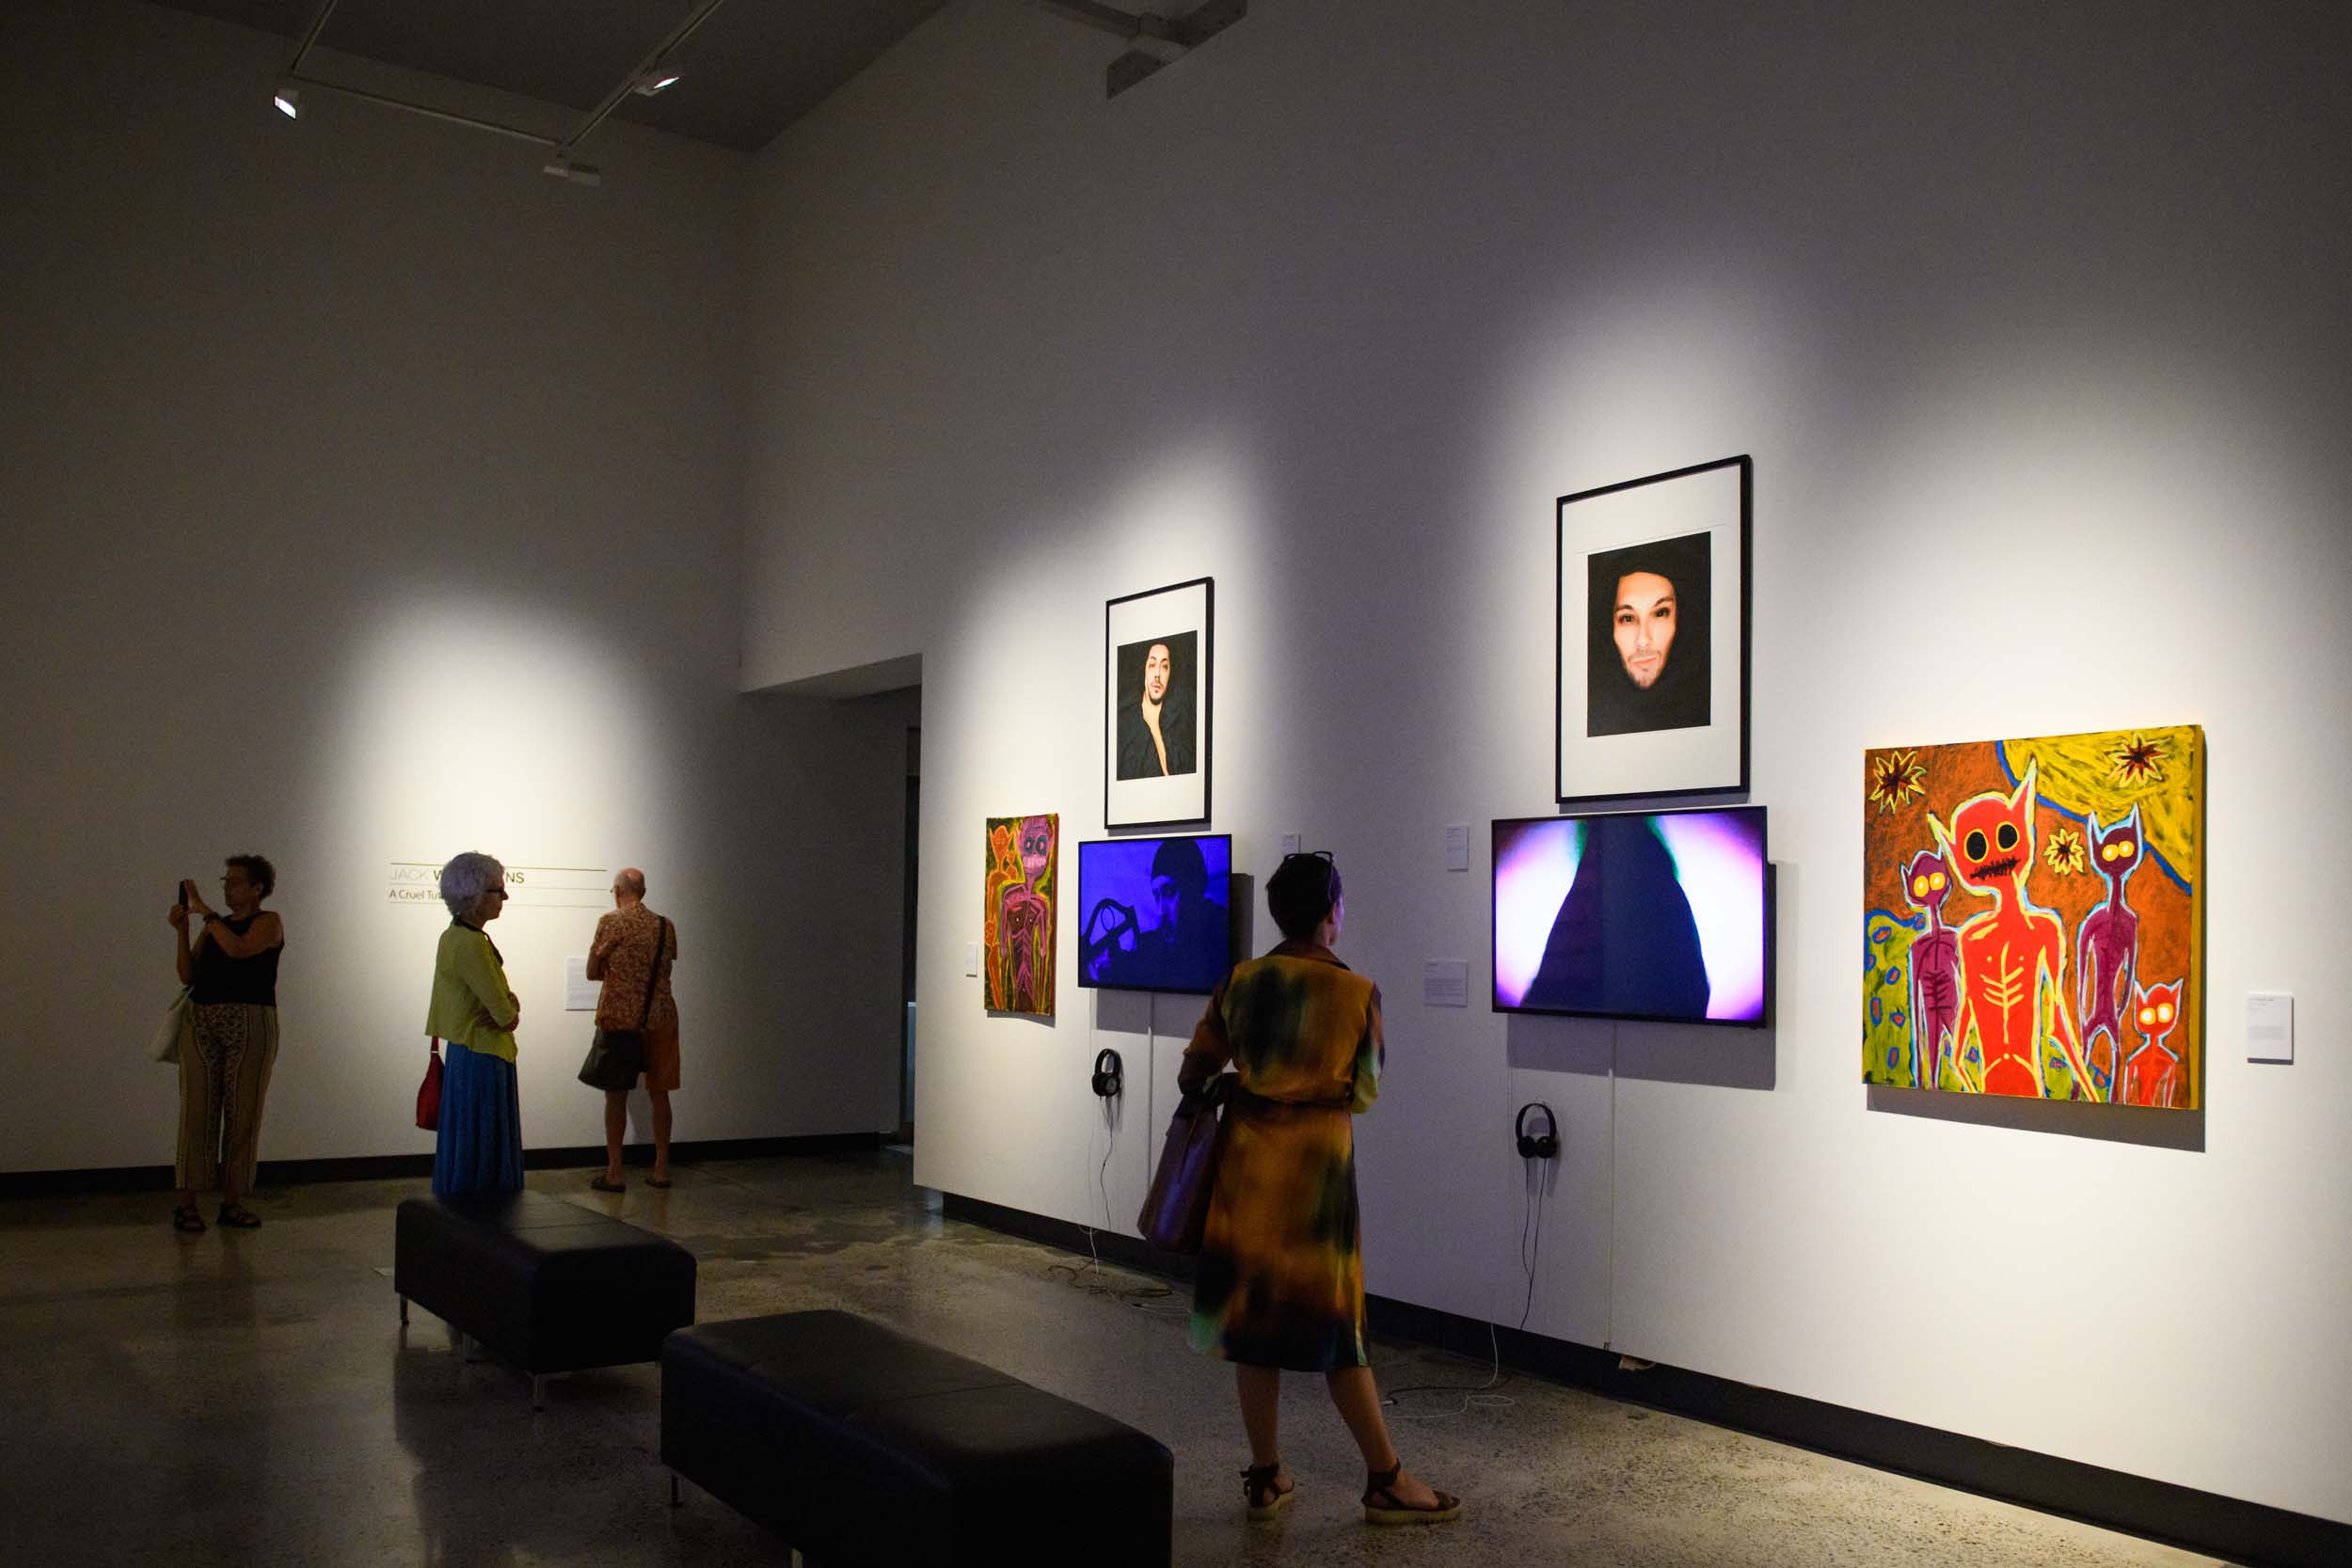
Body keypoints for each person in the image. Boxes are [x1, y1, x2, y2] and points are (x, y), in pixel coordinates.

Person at [1178, 851, 1462, 1527]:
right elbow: (1364, 1092)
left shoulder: (1240, 982)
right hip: (1316, 1189)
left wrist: (1247, 1086)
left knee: (1253, 1332)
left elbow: (1195, 1074)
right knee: (1339, 1334)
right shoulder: (1357, 993)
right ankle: (1385, 1478)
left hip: (1247, 1179)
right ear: (1332, 911)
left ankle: (1266, 1476)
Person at [167, 855, 285, 1233]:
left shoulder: (269, 921)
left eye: (235, 882)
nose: (227, 887)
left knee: (242, 1113)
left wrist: (206, 913)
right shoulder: (213, 927)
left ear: (257, 889)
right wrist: (183, 931)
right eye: (226, 881)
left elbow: (239, 949)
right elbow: (188, 974)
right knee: (196, 1112)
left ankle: (232, 1202)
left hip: (250, 1022)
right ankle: (186, 1204)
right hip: (202, 1020)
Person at [425, 851, 523, 1196]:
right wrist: (510, 1008)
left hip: (468, 1053)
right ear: (474, 895)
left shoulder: (454, 936)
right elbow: (506, 1015)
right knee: (482, 1139)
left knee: (468, 1136)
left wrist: (508, 1005)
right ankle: (484, 1204)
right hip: (484, 1054)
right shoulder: (470, 944)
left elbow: (503, 1004)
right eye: (497, 890)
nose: (504, 897)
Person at [584, 866, 679, 1191]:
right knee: (660, 1093)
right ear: (644, 892)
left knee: (616, 1096)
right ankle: (662, 1169)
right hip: (661, 1016)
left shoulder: (610, 922)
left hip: (620, 1018)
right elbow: (666, 969)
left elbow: (592, 972)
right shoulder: (665, 926)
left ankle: (615, 1172)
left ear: (617, 890)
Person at [1584, 532, 1710, 736]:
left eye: (1660, 614)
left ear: (1681, 619)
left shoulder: (1704, 705)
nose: (1643, 640)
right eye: (1628, 618)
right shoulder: (1594, 710)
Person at [1116, 638, 1197, 779]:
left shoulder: (1182, 716)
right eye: (1152, 665)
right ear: (1144, 670)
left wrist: (1154, 725)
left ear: (1170, 674)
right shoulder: (1124, 716)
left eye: (1164, 666)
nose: (1157, 674)